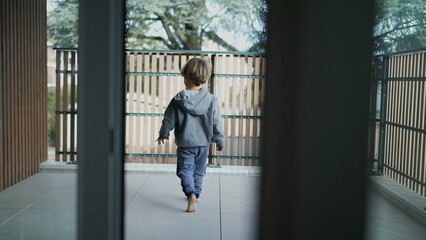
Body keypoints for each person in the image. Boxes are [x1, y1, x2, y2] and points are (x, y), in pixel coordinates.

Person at [156, 58, 224, 212]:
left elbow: (168, 120)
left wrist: (163, 134)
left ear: (186, 78)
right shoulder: (211, 100)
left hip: (186, 144)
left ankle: (190, 194)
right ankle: (197, 194)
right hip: (203, 144)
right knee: (199, 171)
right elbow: (217, 123)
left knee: (185, 171)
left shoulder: (178, 100)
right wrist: (219, 140)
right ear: (205, 78)